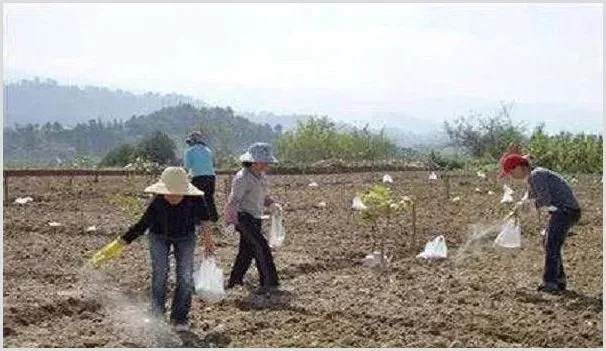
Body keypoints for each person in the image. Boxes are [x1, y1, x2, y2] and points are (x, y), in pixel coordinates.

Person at [90, 167, 215, 332]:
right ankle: (156, 313)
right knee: (160, 273)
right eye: (168, 192)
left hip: (186, 237)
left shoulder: (196, 199)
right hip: (159, 236)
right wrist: (115, 247)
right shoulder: (157, 202)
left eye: (175, 193)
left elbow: (206, 221)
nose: (170, 196)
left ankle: (179, 317)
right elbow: (141, 226)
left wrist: (208, 243)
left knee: (185, 276)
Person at [499, 153, 581, 294]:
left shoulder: (537, 175)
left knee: (551, 244)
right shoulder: (535, 176)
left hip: (565, 211)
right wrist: (517, 210)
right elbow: (530, 197)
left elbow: (544, 199)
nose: (512, 177)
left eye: (511, 172)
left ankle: (550, 282)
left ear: (519, 167)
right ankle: (559, 279)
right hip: (563, 211)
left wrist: (526, 208)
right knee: (548, 242)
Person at [223, 142, 282, 295]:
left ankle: (234, 281)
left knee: (246, 252)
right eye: (263, 162)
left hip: (256, 218)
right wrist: (230, 221)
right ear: (253, 161)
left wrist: (272, 203)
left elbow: (263, 196)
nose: (266, 165)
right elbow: (233, 201)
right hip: (243, 218)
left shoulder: (261, 177)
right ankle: (269, 282)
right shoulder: (242, 178)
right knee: (261, 247)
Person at [184, 131, 219, 226]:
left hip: (198, 177)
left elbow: (186, 167)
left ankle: (197, 220)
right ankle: (213, 219)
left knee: (195, 198)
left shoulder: (189, 151)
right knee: (209, 198)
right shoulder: (208, 150)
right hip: (211, 177)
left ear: (193, 141)